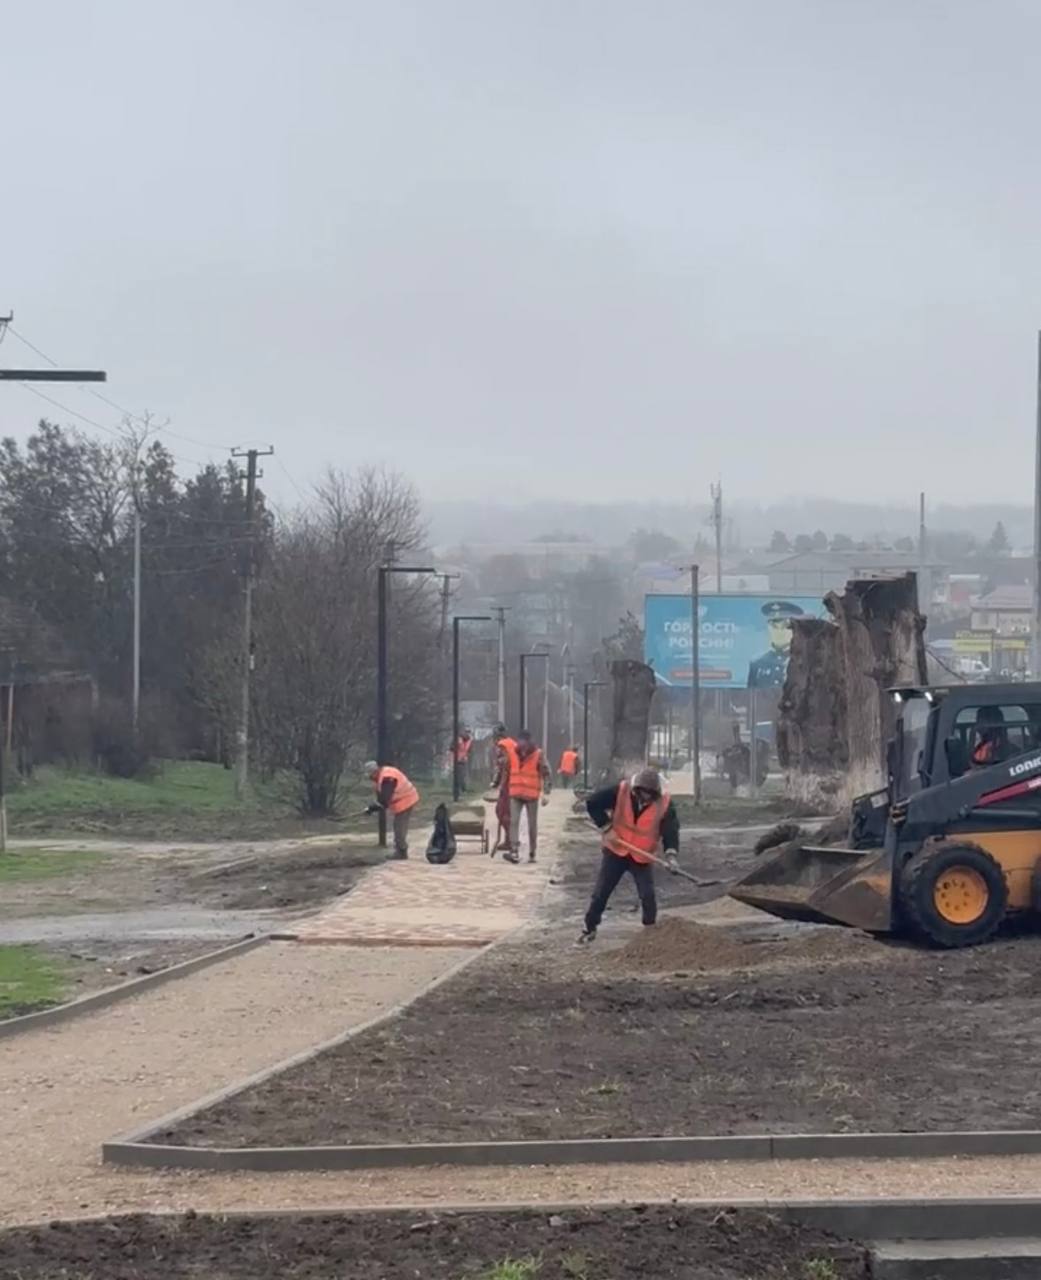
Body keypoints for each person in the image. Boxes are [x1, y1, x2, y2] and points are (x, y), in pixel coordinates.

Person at [579, 767, 680, 944]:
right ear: (637, 789)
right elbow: (593, 803)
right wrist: (607, 827)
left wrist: (671, 855)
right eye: (642, 792)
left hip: (641, 856)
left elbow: (670, 830)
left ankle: (650, 932)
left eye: (650, 794)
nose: (645, 797)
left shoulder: (664, 803)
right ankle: (589, 928)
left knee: (647, 895)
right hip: (616, 850)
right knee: (601, 892)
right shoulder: (621, 791)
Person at [500, 728, 552, 864]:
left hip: (531, 794)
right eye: (520, 741)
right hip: (515, 793)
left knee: (532, 824)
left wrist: (546, 792)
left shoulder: (538, 754)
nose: (522, 744)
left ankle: (532, 851)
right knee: (514, 821)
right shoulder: (512, 753)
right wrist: (500, 786)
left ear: (529, 742)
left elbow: (546, 772)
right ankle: (514, 851)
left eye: (524, 741)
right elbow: (506, 770)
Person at [363, 760, 420, 859]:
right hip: (404, 800)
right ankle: (400, 850)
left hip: (406, 800)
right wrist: (371, 808)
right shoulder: (383, 776)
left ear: (374, 772)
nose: (370, 779)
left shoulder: (387, 779)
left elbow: (384, 801)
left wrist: (371, 808)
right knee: (398, 826)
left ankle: (401, 852)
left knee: (399, 827)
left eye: (370, 776)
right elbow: (381, 800)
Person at [747, 600, 805, 689]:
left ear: (794, 629)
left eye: (785, 626)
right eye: (774, 626)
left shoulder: (805, 661)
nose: (779, 631)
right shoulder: (757, 663)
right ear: (768, 627)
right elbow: (751, 698)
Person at [489, 723, 515, 854]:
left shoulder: (502, 746)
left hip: (508, 783)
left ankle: (511, 840)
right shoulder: (512, 743)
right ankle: (509, 839)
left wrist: (495, 782)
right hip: (516, 782)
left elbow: (501, 766)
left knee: (501, 811)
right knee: (507, 813)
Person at [453, 728, 473, 793]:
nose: (467, 734)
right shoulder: (458, 739)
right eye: (466, 732)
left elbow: (469, 751)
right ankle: (458, 789)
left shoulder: (469, 741)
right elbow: (452, 748)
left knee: (463, 775)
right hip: (457, 760)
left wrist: (467, 756)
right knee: (458, 775)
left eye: (468, 732)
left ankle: (462, 789)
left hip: (464, 760)